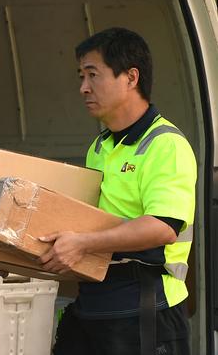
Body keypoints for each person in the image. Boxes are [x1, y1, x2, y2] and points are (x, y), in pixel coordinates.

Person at [36, 27, 196, 355]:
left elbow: (163, 227)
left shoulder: (165, 145)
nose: (83, 88)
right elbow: (78, 224)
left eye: (93, 75)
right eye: (81, 76)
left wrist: (82, 243)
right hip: (94, 304)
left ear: (130, 77)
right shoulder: (100, 146)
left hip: (146, 308)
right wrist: (10, 258)